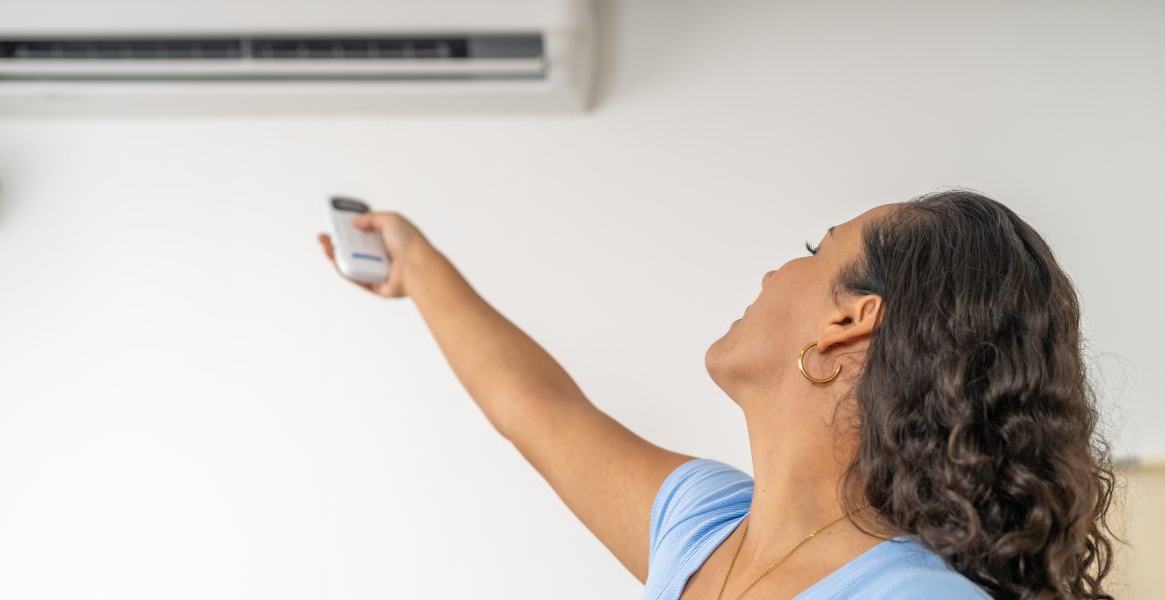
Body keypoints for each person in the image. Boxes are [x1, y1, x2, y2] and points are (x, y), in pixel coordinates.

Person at [316, 189, 1116, 599]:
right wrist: (415, 266)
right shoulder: (704, 524)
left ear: (850, 320)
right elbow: (538, 406)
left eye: (815, 248)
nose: (776, 270)